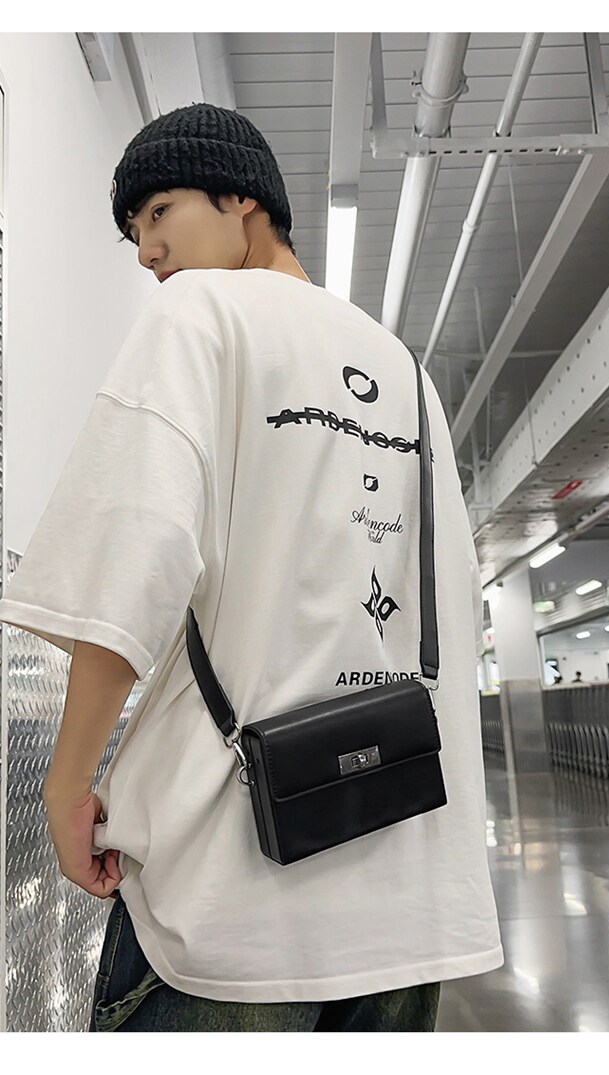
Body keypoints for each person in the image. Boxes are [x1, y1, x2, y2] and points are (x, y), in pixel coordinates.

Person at [0, 103, 503, 1032]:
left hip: (231, 904)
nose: (147, 251)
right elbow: (457, 602)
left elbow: (130, 561)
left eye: (159, 212)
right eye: (134, 232)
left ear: (244, 200)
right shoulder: (405, 370)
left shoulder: (199, 312)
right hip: (411, 901)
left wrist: (65, 785)